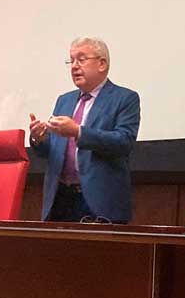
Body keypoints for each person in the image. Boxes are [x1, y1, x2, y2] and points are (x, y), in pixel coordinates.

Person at [28, 36, 141, 224]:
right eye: (71, 61)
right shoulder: (64, 100)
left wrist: (78, 132)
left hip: (99, 202)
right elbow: (54, 151)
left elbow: (124, 141)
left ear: (102, 64)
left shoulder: (125, 98)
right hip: (59, 200)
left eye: (81, 59)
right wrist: (39, 139)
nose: (74, 66)